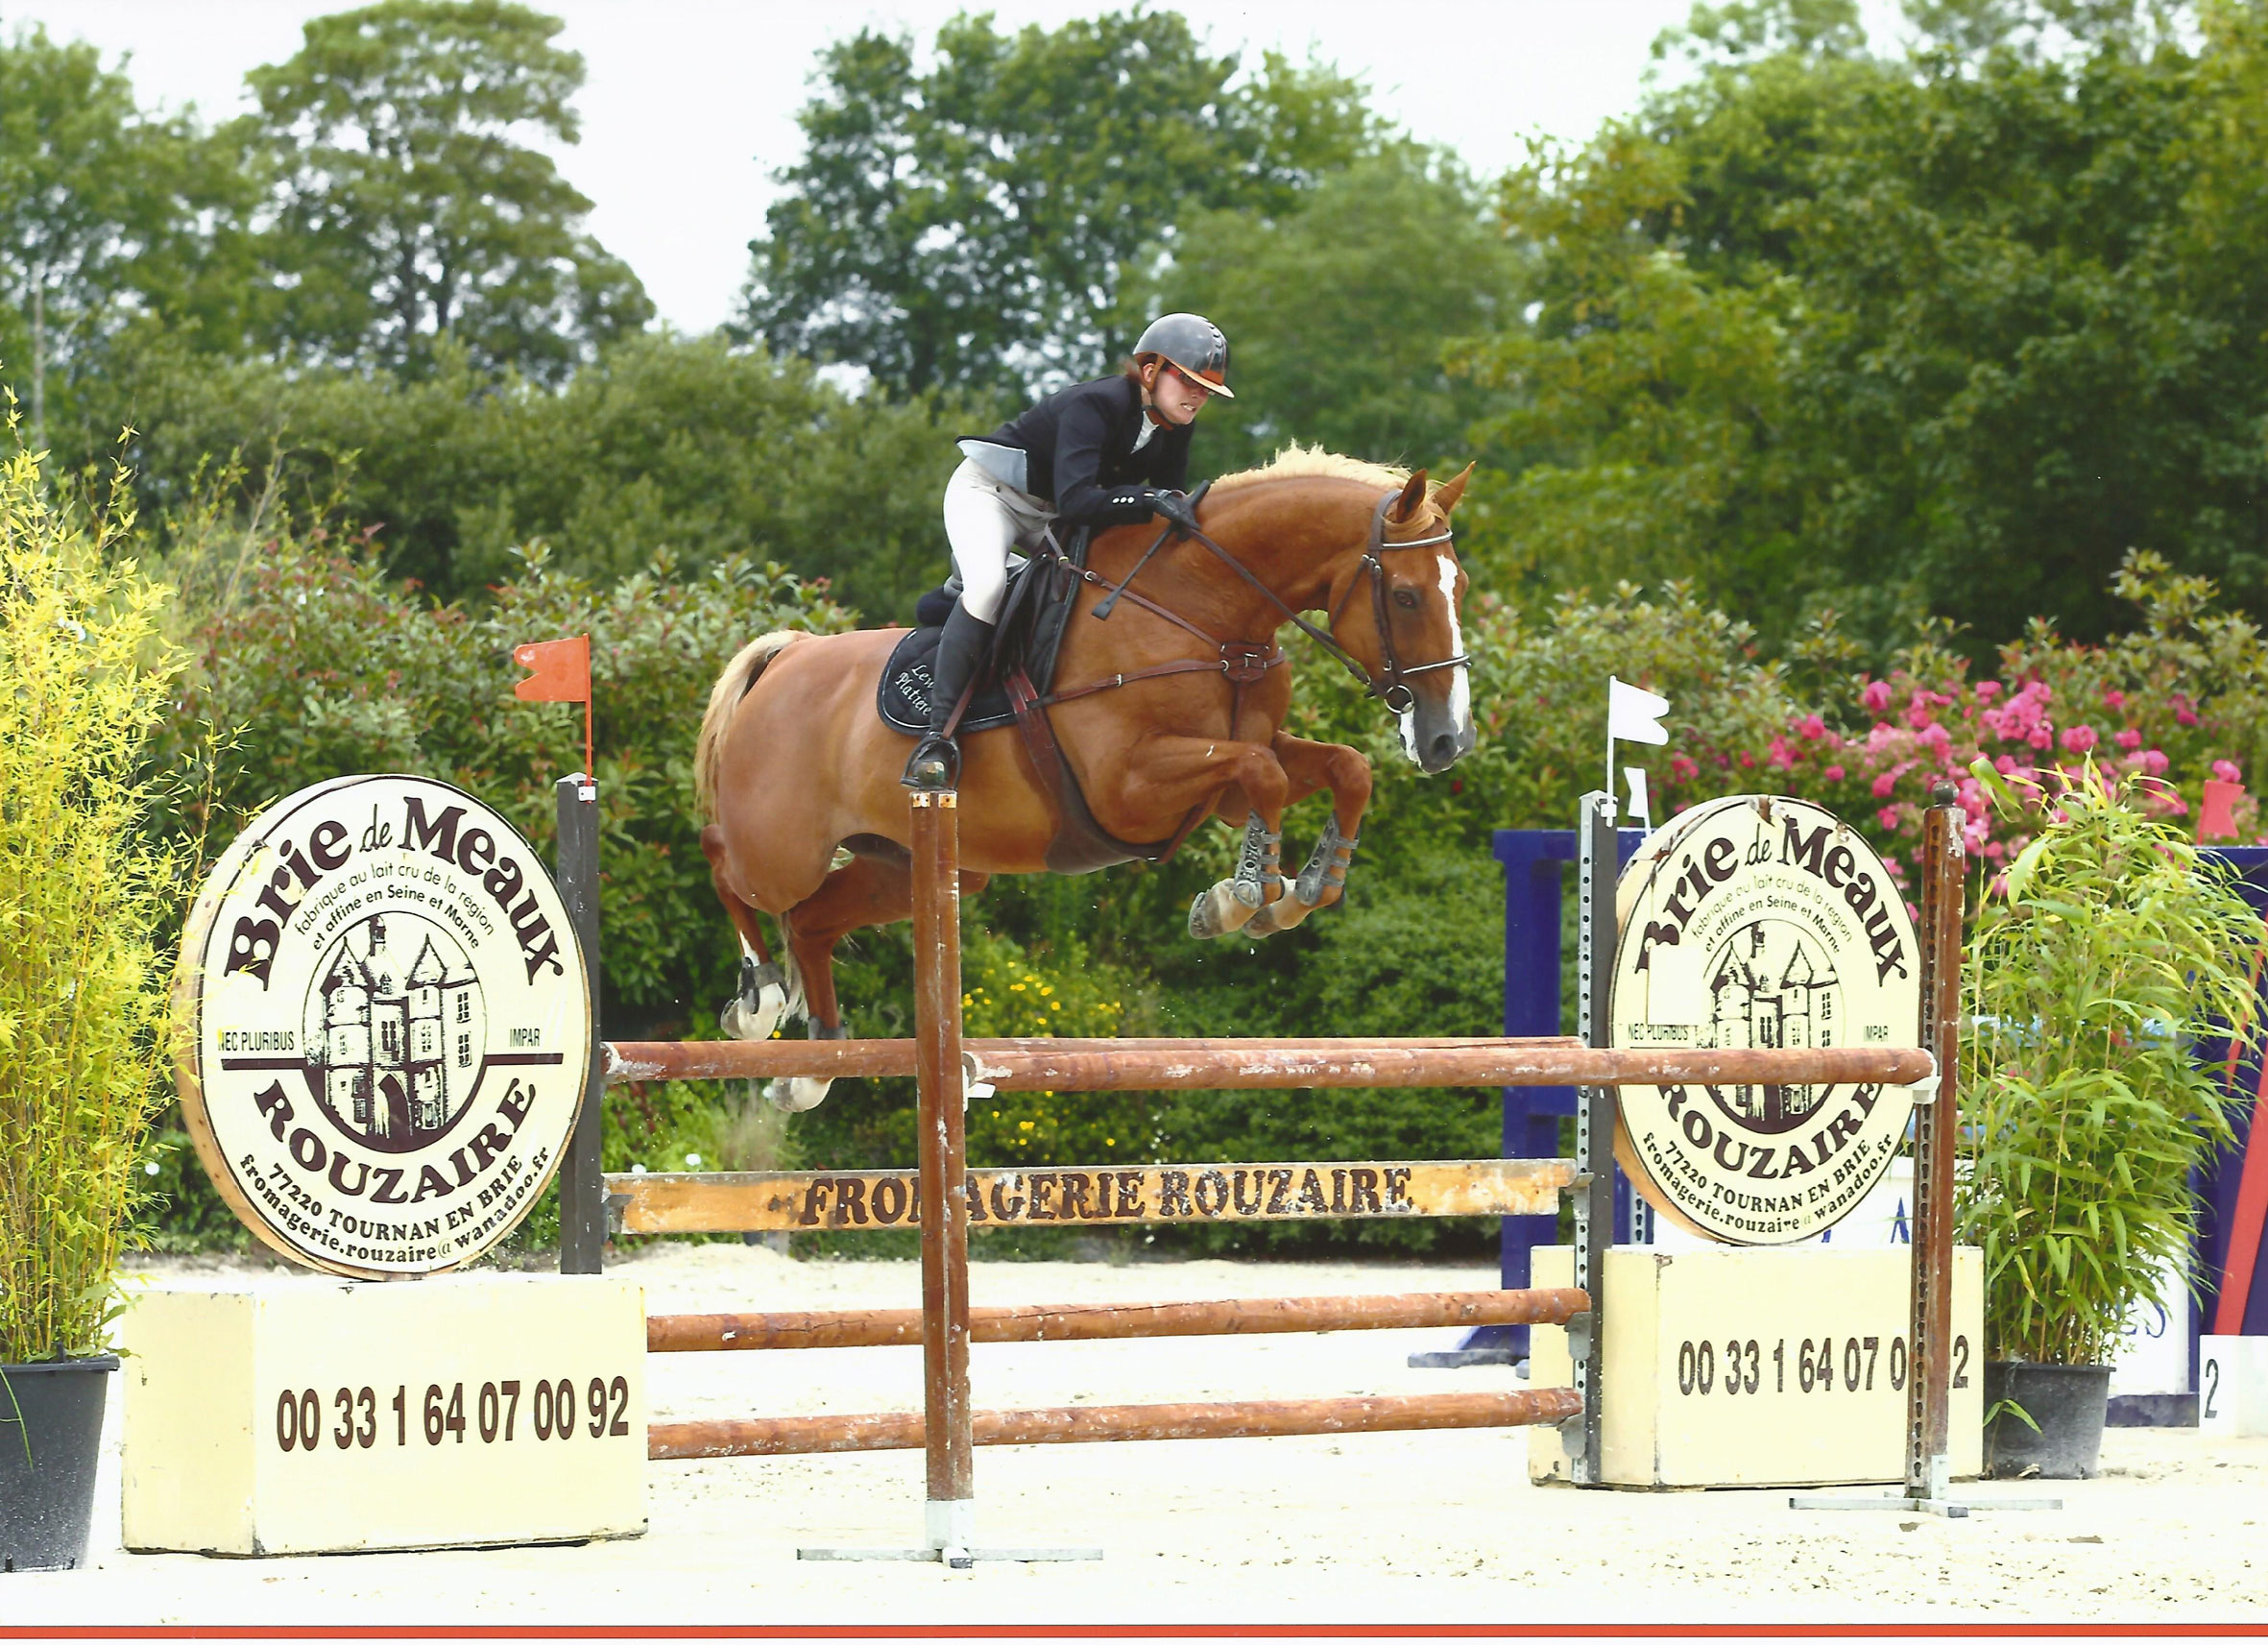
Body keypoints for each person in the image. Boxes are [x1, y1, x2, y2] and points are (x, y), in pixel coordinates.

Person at [902, 312, 1233, 786]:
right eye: (1189, 381)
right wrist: (1148, 500)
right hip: (991, 496)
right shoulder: (1096, 403)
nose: (1198, 396)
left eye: (1207, 389)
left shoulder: (1175, 427)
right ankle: (935, 741)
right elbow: (1082, 501)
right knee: (990, 585)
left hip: (1053, 516)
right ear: (1150, 370)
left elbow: (1165, 506)